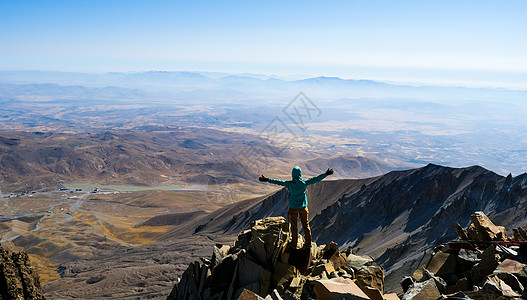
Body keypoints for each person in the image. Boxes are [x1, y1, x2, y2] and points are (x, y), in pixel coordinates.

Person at [259, 166, 334, 248]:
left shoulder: (289, 184)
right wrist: (326, 174)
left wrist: (267, 179)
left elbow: (278, 182)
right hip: (303, 208)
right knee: (306, 225)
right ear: (300, 174)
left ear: (292, 174)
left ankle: (294, 243)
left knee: (294, 226)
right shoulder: (304, 183)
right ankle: (308, 243)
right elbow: (316, 179)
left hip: (293, 208)